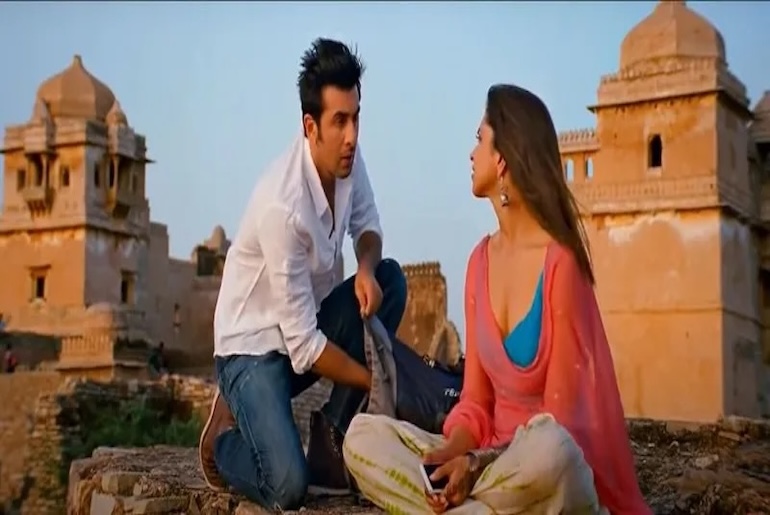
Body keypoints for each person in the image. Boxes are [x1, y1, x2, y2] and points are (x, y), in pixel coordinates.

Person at [343, 84, 651, 514]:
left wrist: (476, 463)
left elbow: (561, 423)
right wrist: (451, 452)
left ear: (502, 158)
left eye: (479, 140)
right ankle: (464, 505)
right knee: (362, 437)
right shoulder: (479, 262)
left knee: (552, 450)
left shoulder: (560, 264)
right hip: (489, 470)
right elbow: (475, 402)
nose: (472, 155)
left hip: (538, 470)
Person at [197, 38, 408, 511]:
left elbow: (368, 226)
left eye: (356, 118)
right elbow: (306, 348)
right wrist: (375, 382)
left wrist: (366, 269)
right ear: (311, 126)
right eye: (340, 121)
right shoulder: (283, 206)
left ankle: (331, 438)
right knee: (287, 485)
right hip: (252, 352)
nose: (352, 135)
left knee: (391, 281)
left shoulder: (348, 159)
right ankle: (222, 439)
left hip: (304, 330)